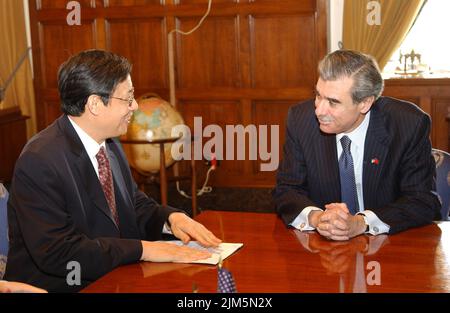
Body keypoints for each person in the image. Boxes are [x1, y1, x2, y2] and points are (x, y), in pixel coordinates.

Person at [5, 50, 221, 292]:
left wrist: (170, 219)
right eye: (128, 99)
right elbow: (59, 253)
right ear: (95, 104)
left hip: (112, 276)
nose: (136, 106)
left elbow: (131, 205)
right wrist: (145, 249)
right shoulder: (40, 160)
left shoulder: (109, 143)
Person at [273, 49, 441, 241]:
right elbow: (287, 189)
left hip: (386, 248)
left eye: (333, 102)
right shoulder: (300, 119)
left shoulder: (408, 125)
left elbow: (422, 201)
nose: (319, 110)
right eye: (318, 96)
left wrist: (361, 223)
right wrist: (317, 217)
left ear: (365, 103)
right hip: (322, 249)